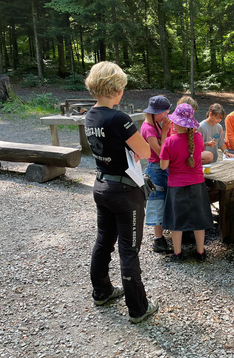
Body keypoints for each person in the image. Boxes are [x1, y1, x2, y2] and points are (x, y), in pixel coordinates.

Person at [84, 61, 159, 324]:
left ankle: (101, 291)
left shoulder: (90, 115)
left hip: (101, 185)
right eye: (122, 88)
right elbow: (147, 152)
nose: (123, 92)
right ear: (115, 88)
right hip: (125, 191)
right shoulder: (119, 118)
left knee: (103, 241)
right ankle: (138, 308)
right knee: (129, 249)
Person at [160, 104, 213, 262]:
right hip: (197, 183)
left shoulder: (169, 141)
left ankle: (177, 253)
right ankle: (200, 252)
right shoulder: (197, 138)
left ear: (176, 123)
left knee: (177, 221)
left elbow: (163, 166)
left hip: (176, 185)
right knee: (199, 220)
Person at [140, 95, 173, 253]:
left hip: (162, 168)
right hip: (155, 169)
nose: (166, 116)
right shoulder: (148, 128)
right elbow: (160, 152)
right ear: (155, 112)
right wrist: (166, 132)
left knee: (165, 200)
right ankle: (158, 239)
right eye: (164, 113)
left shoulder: (156, 124)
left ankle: (164, 234)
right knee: (157, 202)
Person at [175, 95, 213, 164]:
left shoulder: (191, 125)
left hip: (188, 151)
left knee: (208, 156)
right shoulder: (175, 124)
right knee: (207, 155)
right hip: (180, 152)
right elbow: (176, 141)